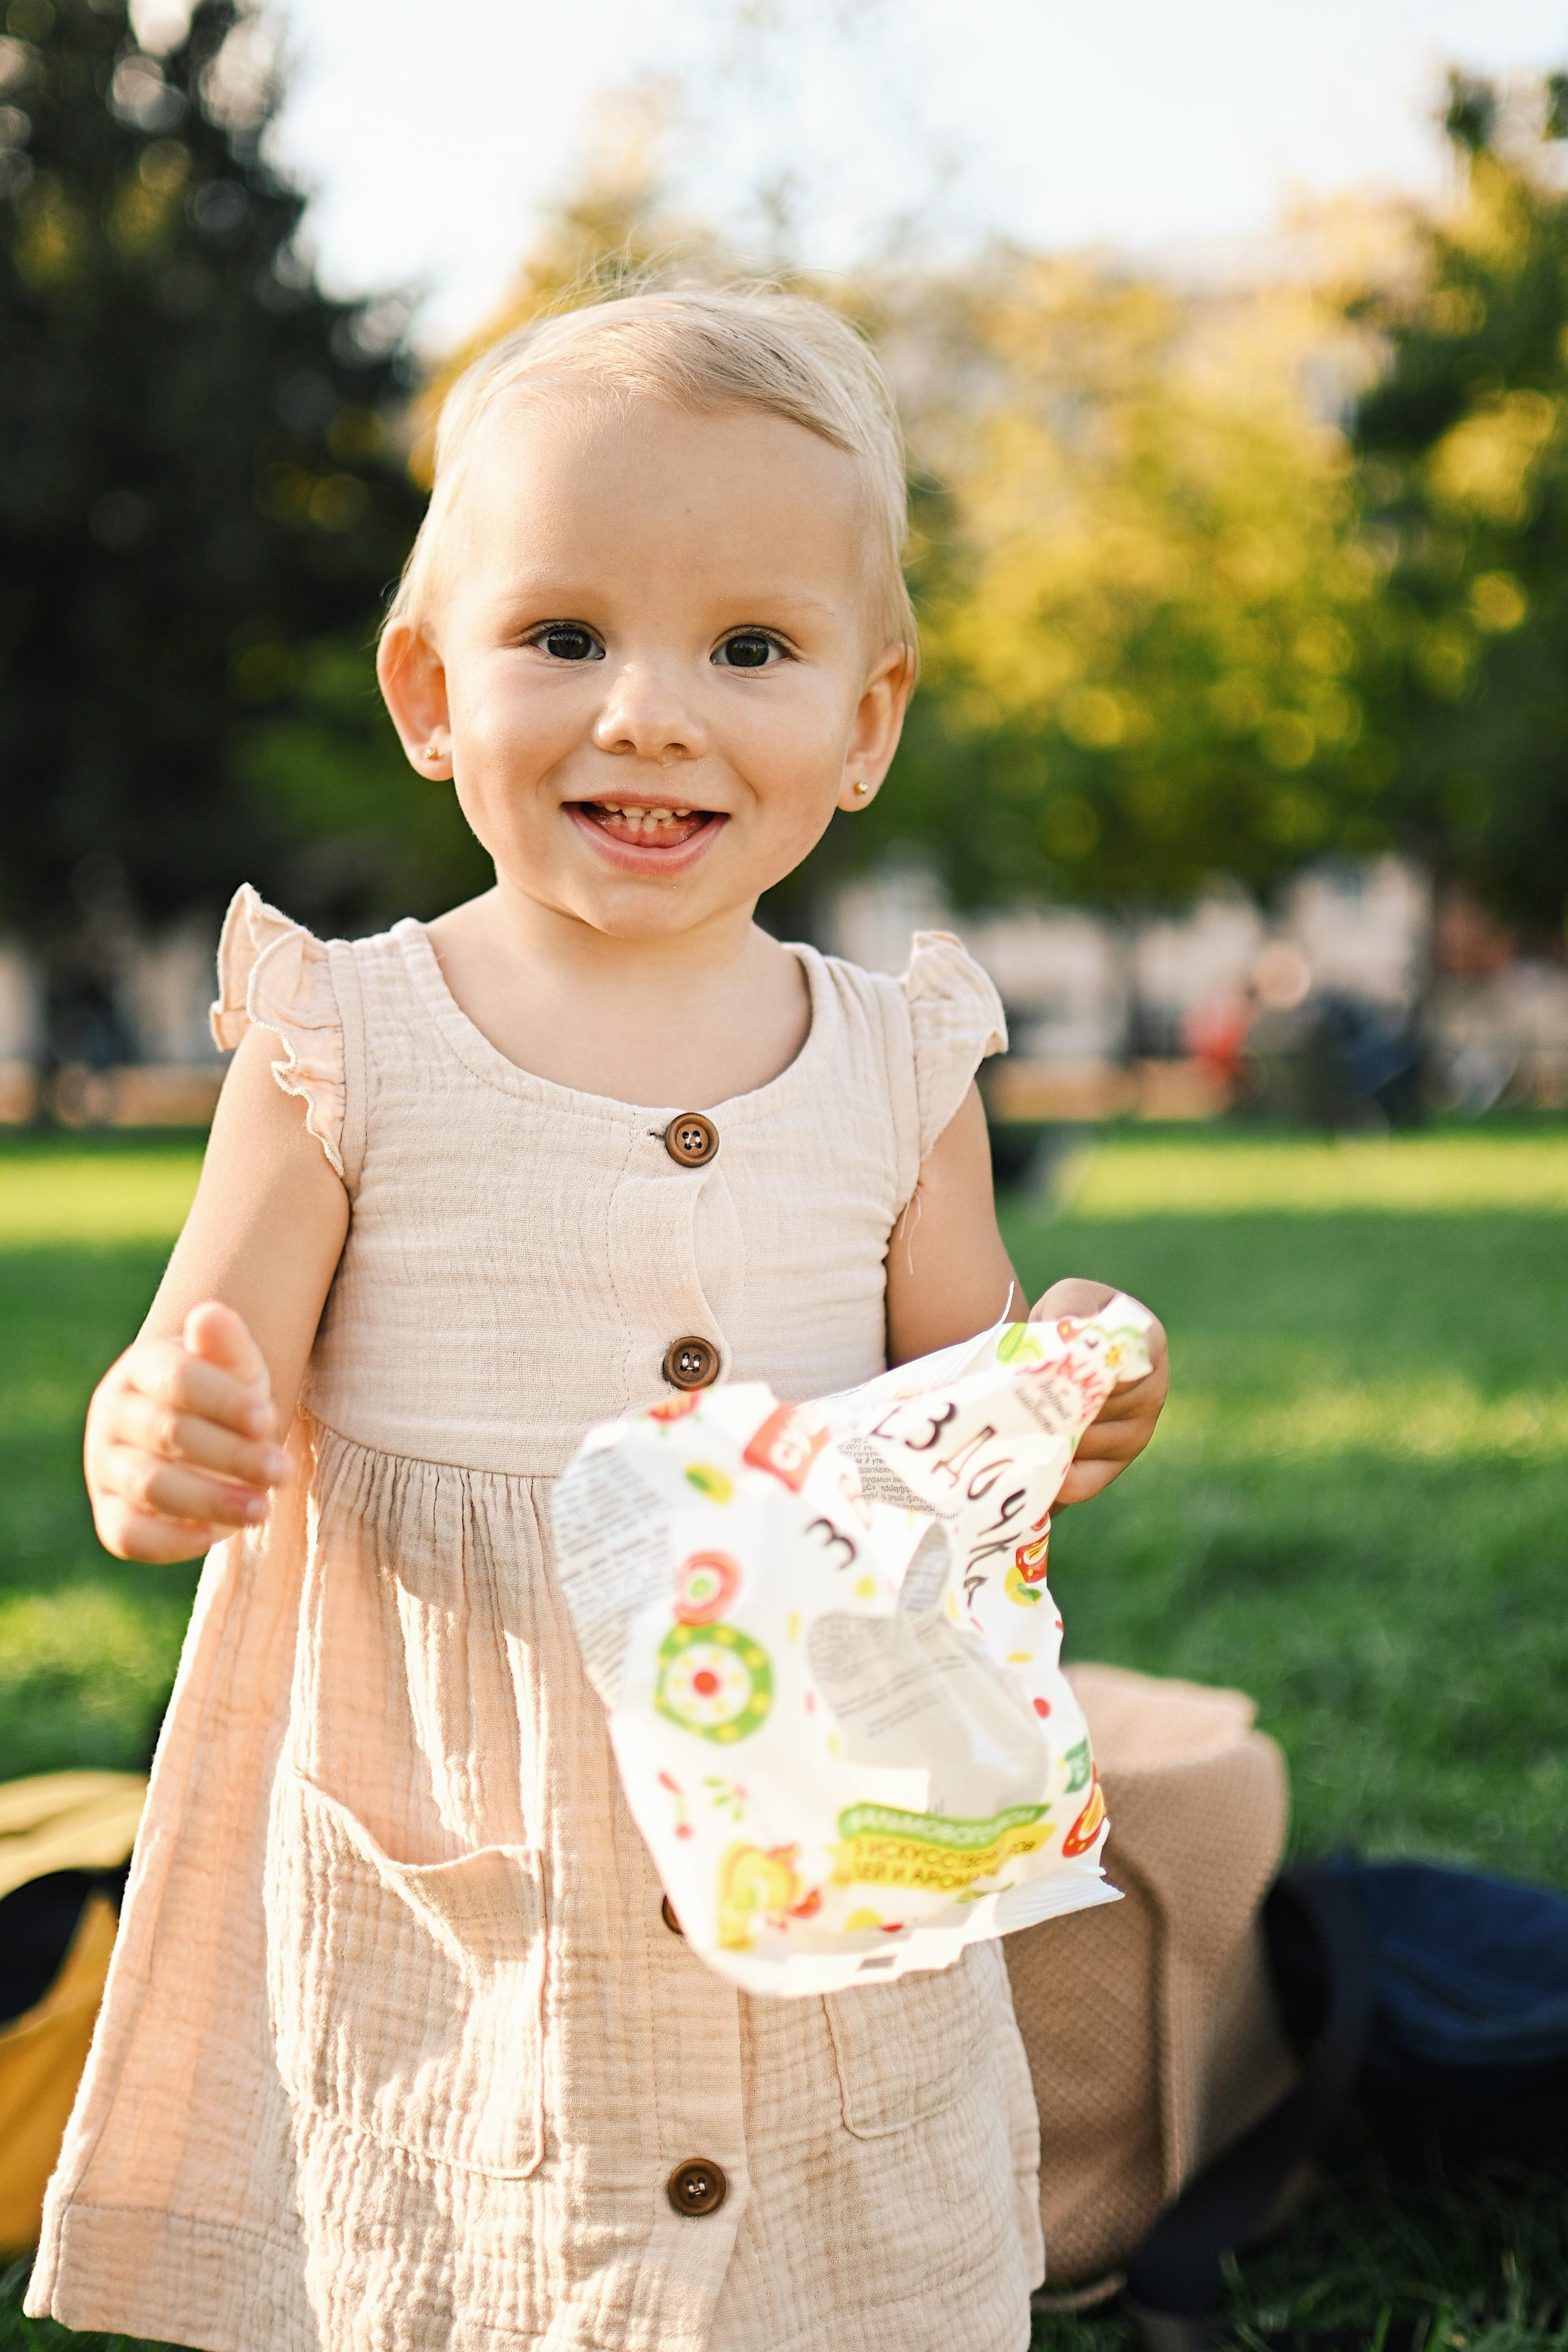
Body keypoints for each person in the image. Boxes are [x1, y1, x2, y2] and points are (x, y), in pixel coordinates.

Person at [32, 287, 1169, 2352]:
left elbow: (968, 1446)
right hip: (482, 1846)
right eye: (563, 636)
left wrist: (1067, 1386)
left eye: (750, 650)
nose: (649, 713)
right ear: (429, 687)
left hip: (814, 1820)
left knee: (835, 2268)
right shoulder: (343, 1043)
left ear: (867, 724)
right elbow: (190, 1381)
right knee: (474, 2252)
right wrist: (156, 1436)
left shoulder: (902, 1067)